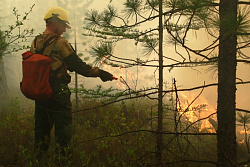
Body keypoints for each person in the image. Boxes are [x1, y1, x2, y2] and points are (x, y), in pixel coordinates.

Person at [30, 7, 115, 160]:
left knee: (41, 132)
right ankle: (63, 162)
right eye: (63, 25)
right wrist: (100, 73)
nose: (64, 30)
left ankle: (39, 160)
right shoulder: (61, 43)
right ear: (55, 22)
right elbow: (79, 66)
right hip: (58, 92)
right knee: (64, 132)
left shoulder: (35, 42)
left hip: (40, 91)